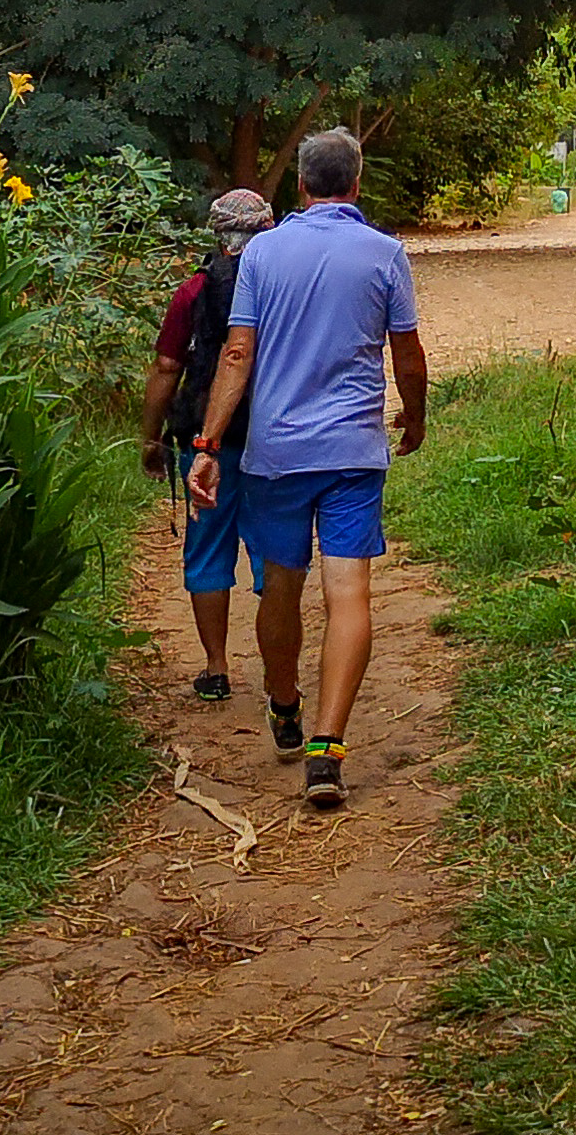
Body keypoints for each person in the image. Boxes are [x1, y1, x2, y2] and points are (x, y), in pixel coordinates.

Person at [185, 126, 424, 811]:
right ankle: (327, 749)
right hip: (352, 452)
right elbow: (407, 351)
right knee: (349, 593)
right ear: (357, 181)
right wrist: (415, 416)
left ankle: (285, 702)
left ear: (300, 184)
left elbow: (237, 355)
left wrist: (206, 445)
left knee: (282, 589)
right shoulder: (384, 254)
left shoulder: (263, 252)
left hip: (276, 456)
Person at [141, 186, 279, 703]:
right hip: (271, 439)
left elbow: (167, 368)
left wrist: (150, 437)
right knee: (273, 553)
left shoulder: (191, 292)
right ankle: (276, 670)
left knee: (206, 552)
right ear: (270, 227)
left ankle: (216, 669)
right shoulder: (279, 286)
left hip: (204, 442)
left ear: (216, 234)